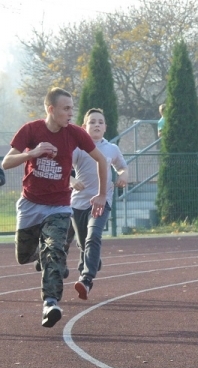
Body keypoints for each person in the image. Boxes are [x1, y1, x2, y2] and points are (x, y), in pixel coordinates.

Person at [4, 89, 108, 327]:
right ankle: (46, 256)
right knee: (23, 256)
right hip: (30, 204)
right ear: (51, 109)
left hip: (59, 206)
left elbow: (101, 160)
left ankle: (50, 303)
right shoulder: (31, 130)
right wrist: (34, 153)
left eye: (72, 108)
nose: (71, 113)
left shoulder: (75, 133)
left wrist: (102, 194)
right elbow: (7, 162)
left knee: (55, 250)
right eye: (66, 108)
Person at [68, 108, 129, 299]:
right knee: (83, 243)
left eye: (100, 122)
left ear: (105, 127)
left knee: (93, 236)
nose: (96, 125)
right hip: (79, 203)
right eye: (92, 122)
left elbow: (122, 167)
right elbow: (64, 169)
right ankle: (92, 261)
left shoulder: (112, 148)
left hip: (103, 201)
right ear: (84, 126)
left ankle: (86, 279)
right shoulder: (78, 148)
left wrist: (123, 176)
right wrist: (72, 181)